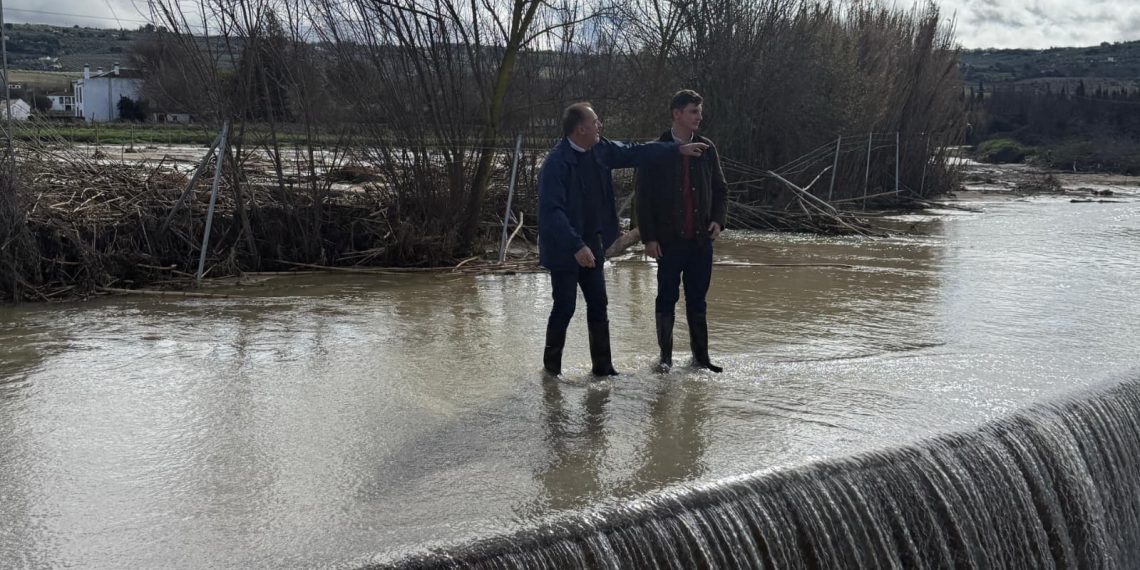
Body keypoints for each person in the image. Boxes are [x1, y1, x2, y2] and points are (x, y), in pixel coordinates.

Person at [538, 102, 708, 377]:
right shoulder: (556, 164)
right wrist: (576, 246)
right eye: (596, 122)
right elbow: (551, 213)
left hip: (592, 242)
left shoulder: (601, 149)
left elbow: (635, 152)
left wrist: (676, 150)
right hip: (564, 248)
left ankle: (603, 370)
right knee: (564, 307)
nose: (599, 126)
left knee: (599, 304)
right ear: (581, 128)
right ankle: (551, 372)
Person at [636, 90, 727, 373]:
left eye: (699, 112)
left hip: (701, 241)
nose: (699, 117)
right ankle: (665, 358)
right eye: (693, 112)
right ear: (677, 114)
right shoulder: (657, 148)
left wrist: (718, 221)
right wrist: (649, 238)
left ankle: (701, 357)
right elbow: (643, 198)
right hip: (668, 241)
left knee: (698, 300)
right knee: (666, 298)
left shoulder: (707, 148)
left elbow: (721, 190)